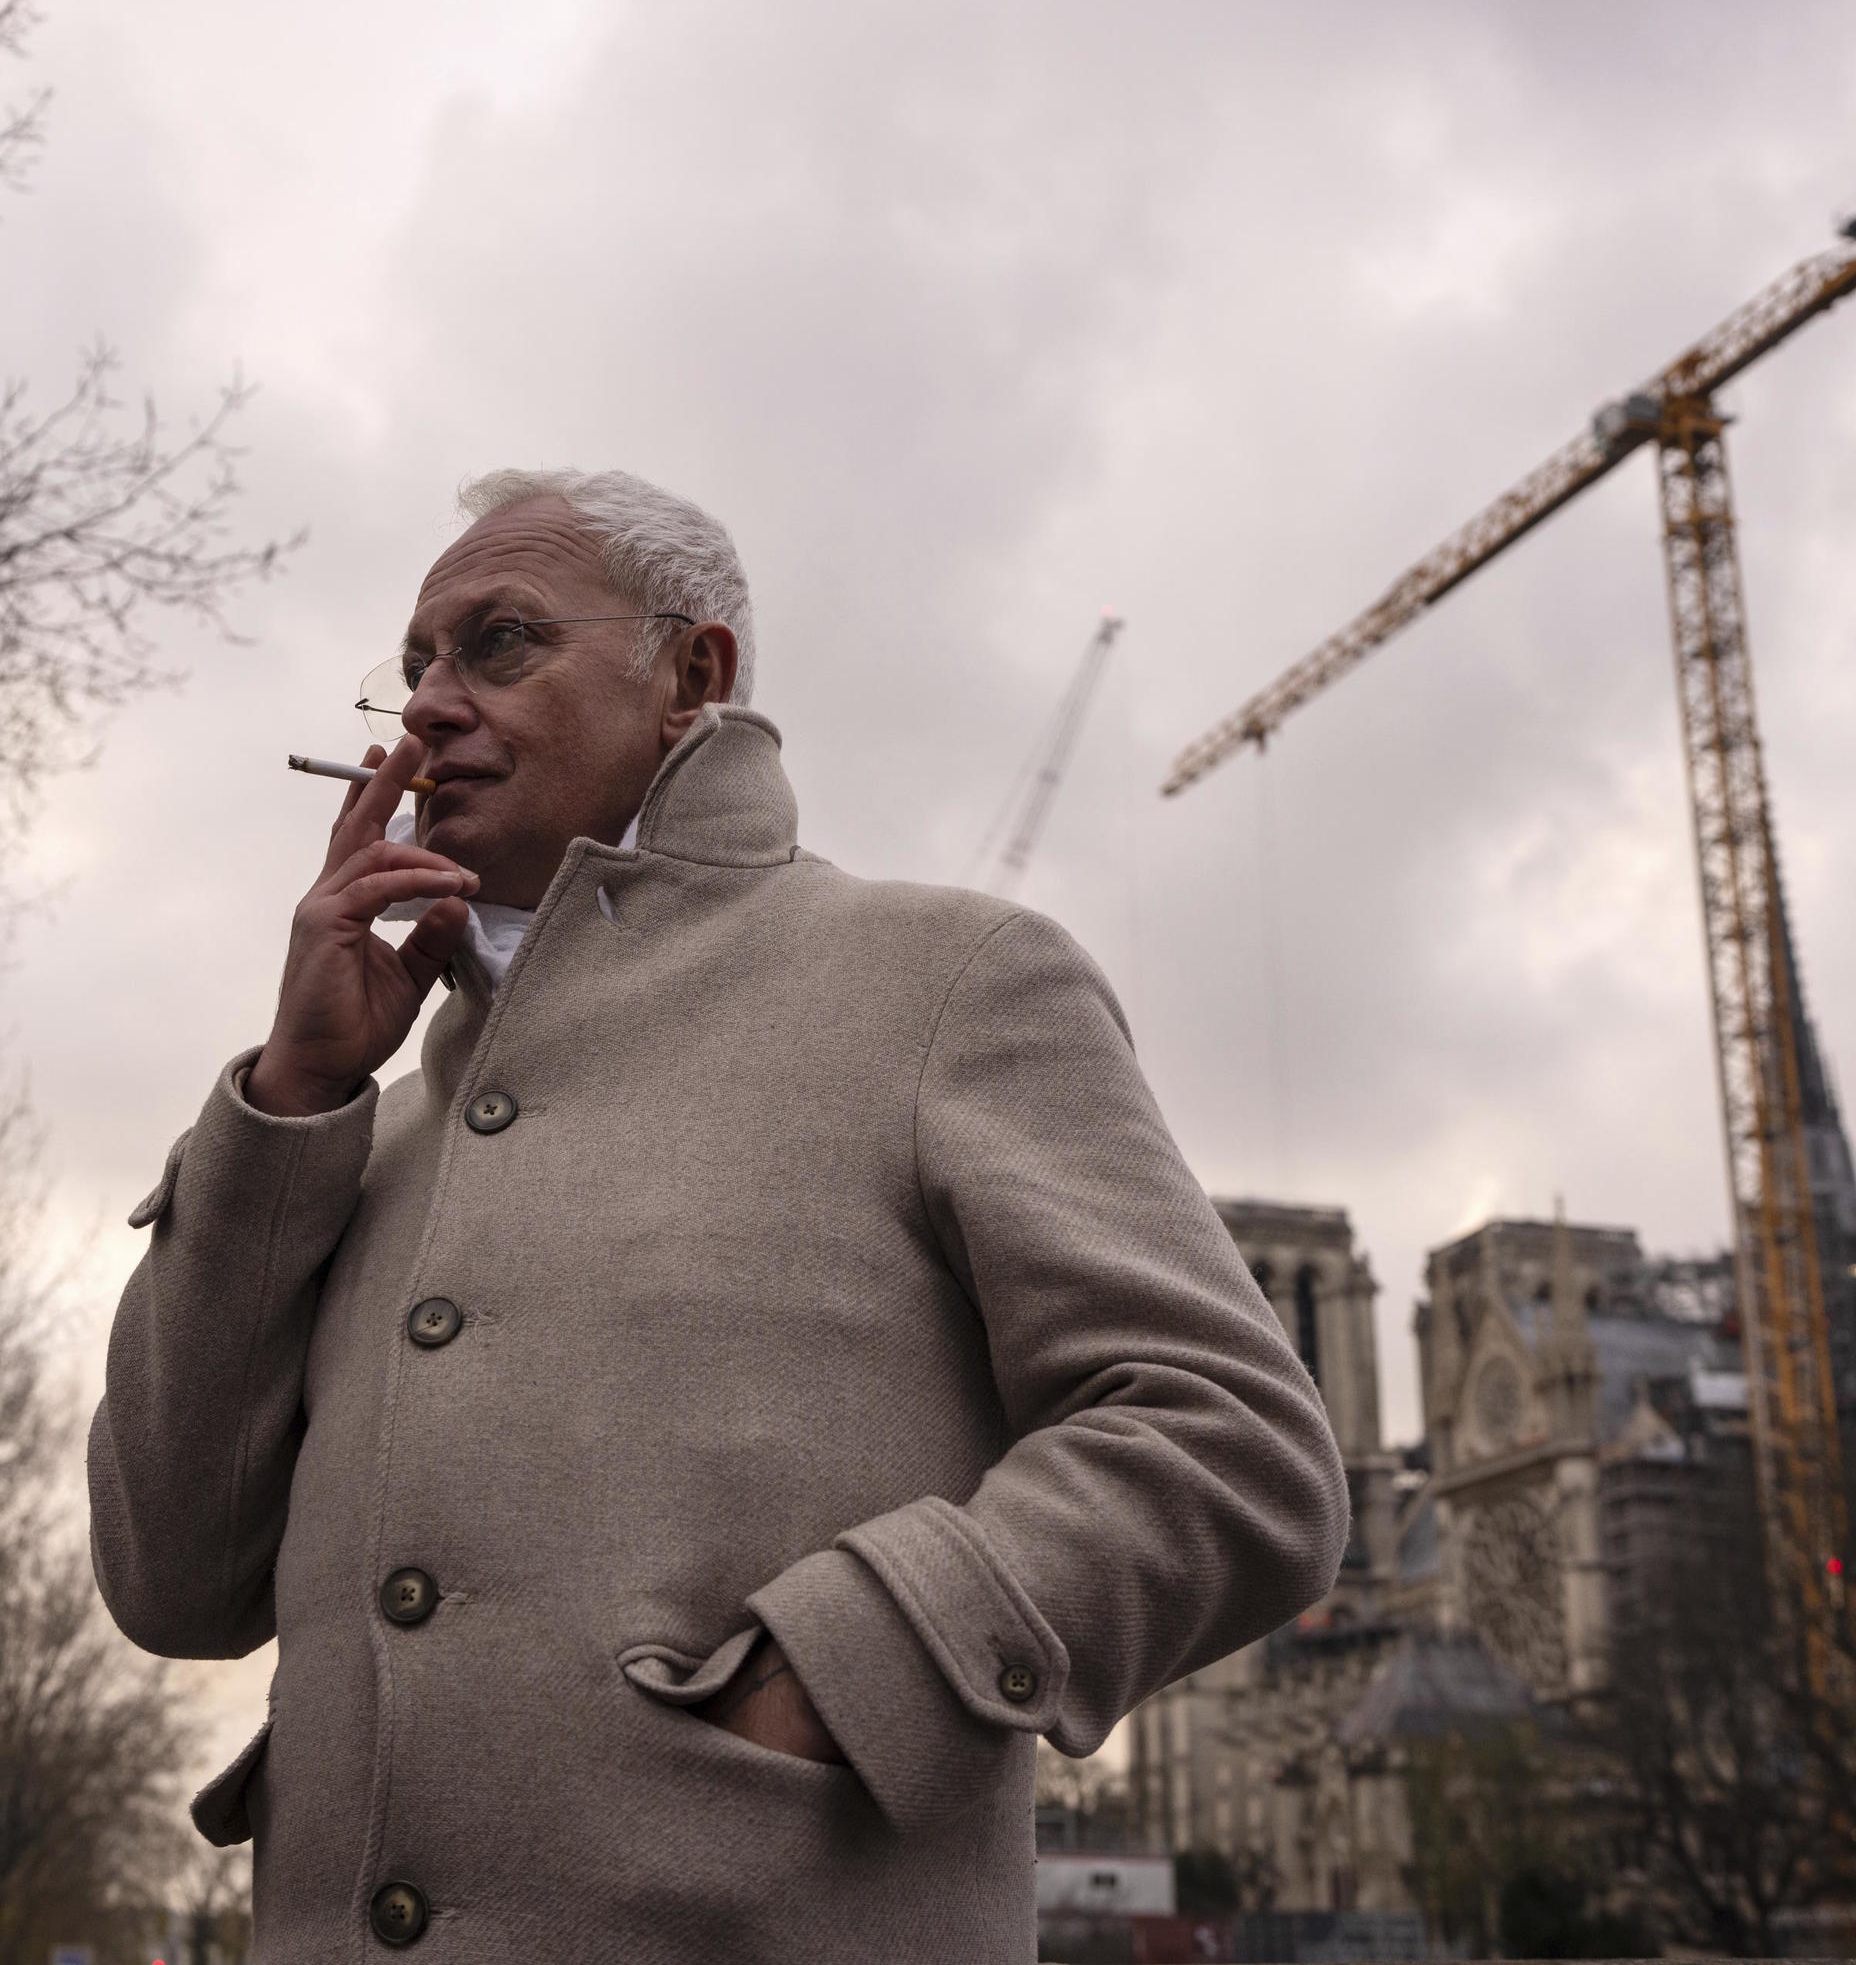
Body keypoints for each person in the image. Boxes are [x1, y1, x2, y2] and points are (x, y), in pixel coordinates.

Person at [88, 469, 1347, 1962]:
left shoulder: (940, 983)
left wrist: (852, 1672)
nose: (426, 705)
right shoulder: (357, 1131)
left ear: (694, 673)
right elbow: (173, 1587)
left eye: (498, 644)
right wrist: (291, 1099)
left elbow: (1233, 1442)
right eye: (416, 662)